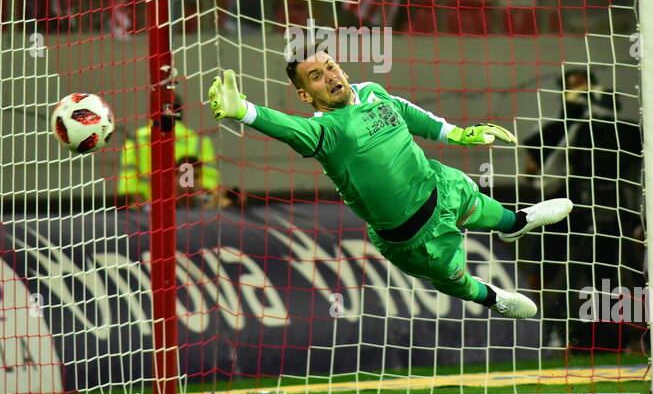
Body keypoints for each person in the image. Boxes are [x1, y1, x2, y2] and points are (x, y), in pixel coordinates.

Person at [206, 48, 574, 318]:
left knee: (487, 208)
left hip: (439, 187)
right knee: (454, 278)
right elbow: (286, 127)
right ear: (305, 95)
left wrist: (461, 134)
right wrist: (244, 112)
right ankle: (494, 299)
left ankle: (518, 223)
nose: (330, 76)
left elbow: (412, 115)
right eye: (316, 76)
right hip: (411, 237)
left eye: (330, 67)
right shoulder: (325, 133)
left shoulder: (373, 92)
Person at [117, 98, 231, 209]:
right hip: (185, 211)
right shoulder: (199, 141)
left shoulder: (135, 139)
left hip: (149, 212)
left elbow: (128, 184)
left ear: (153, 109)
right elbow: (209, 183)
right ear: (179, 110)